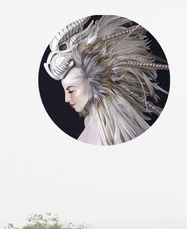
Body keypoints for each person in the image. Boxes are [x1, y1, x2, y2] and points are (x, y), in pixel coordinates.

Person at [43, 15, 168, 145]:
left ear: (93, 80)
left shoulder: (112, 134)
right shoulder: (89, 121)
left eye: (70, 90)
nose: (66, 99)